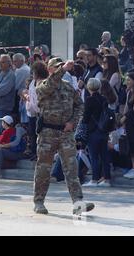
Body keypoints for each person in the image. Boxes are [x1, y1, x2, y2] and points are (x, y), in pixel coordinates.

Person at [33, 58, 95, 215]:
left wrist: (73, 122)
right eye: (57, 68)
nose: (62, 70)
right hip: (47, 132)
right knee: (44, 169)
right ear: (50, 70)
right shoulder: (42, 85)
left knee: (71, 168)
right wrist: (64, 69)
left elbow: (80, 105)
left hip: (65, 133)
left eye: (62, 67)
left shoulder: (68, 88)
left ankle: (78, 202)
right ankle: (39, 201)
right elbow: (50, 84)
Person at [81, 78, 112, 187]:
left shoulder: (89, 100)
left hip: (93, 130)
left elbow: (86, 117)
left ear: (89, 87)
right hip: (104, 130)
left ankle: (94, 179)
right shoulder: (104, 99)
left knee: (94, 156)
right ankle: (107, 179)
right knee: (104, 155)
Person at [24, 61, 49, 160]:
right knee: (33, 134)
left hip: (41, 113)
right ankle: (34, 152)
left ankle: (41, 154)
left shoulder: (45, 83)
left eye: (34, 72)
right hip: (32, 113)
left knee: (41, 136)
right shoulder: (32, 83)